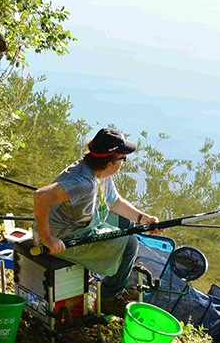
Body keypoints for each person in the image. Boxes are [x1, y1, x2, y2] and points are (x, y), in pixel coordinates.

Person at [32, 127, 161, 317]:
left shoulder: (100, 173)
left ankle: (113, 275)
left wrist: (143, 219)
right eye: (122, 158)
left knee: (127, 224)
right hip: (62, 238)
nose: (124, 162)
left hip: (81, 226)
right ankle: (108, 298)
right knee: (130, 243)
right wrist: (48, 238)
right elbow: (41, 196)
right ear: (110, 163)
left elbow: (115, 202)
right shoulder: (83, 183)